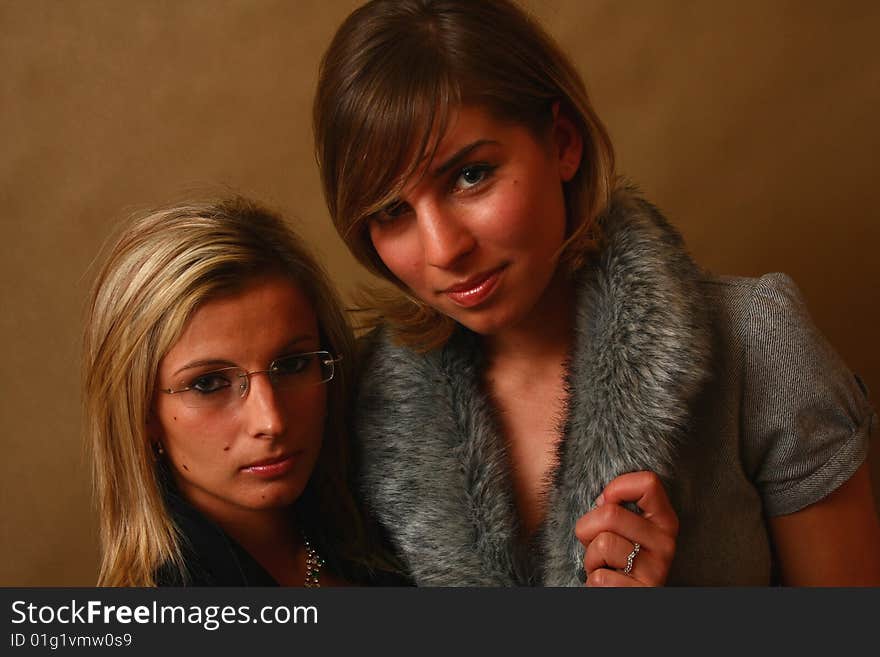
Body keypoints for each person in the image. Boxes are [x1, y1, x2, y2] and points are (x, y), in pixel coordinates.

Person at [313, 0, 880, 585]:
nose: (442, 249)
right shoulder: (352, 405)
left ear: (562, 142)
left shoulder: (759, 344)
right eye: (391, 211)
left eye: (470, 175)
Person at [83, 196, 400, 586]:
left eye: (292, 364)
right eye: (208, 383)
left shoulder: (398, 535)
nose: (271, 420)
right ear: (143, 414)